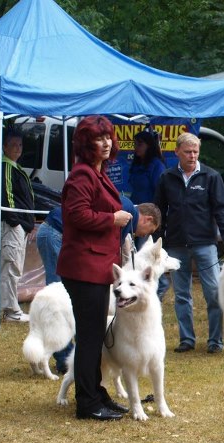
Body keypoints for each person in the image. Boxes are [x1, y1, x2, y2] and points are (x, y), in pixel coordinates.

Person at [56, 115, 131, 421]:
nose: (106, 143)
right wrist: (112, 219)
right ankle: (86, 403)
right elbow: (76, 215)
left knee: (95, 335)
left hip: (96, 266)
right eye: (99, 139)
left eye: (108, 137)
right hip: (83, 267)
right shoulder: (81, 175)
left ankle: (95, 392)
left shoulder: (97, 173)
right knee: (89, 337)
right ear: (86, 144)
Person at [37, 198, 160, 373]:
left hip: (55, 231)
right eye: (150, 231)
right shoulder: (127, 213)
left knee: (64, 295)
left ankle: (69, 356)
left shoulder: (126, 210)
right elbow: (107, 244)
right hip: (56, 232)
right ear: (148, 219)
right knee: (58, 298)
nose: (144, 235)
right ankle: (65, 359)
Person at [154, 132, 224, 354]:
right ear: (177, 152)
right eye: (188, 152)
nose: (192, 156)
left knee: (214, 292)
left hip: (205, 243)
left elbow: (222, 209)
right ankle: (187, 339)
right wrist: (158, 241)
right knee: (181, 295)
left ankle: (215, 340)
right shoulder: (166, 177)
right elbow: (159, 211)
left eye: (195, 152)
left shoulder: (211, 176)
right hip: (176, 244)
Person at [0, 130, 34, 323]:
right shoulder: (5, 167)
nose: (17, 148)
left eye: (20, 145)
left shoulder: (15, 167)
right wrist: (16, 221)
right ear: (4, 147)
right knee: (11, 267)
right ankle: (11, 311)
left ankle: (11, 309)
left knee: (15, 267)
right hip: (14, 225)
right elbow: (7, 195)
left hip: (21, 225)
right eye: (13, 144)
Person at [128, 130, 166, 206]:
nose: (136, 147)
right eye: (135, 144)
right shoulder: (136, 164)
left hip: (150, 209)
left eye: (140, 144)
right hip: (135, 207)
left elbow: (161, 194)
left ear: (149, 146)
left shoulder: (157, 166)